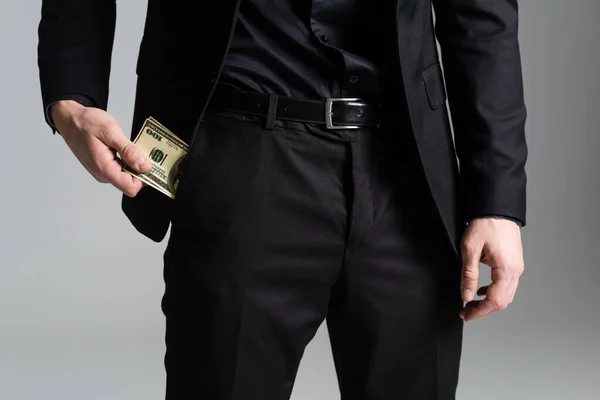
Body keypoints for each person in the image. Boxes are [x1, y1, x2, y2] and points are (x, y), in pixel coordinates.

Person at [38, 0, 527, 399]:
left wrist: (497, 200)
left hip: (409, 169)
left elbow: (483, 19)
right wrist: (71, 95)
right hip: (243, 155)